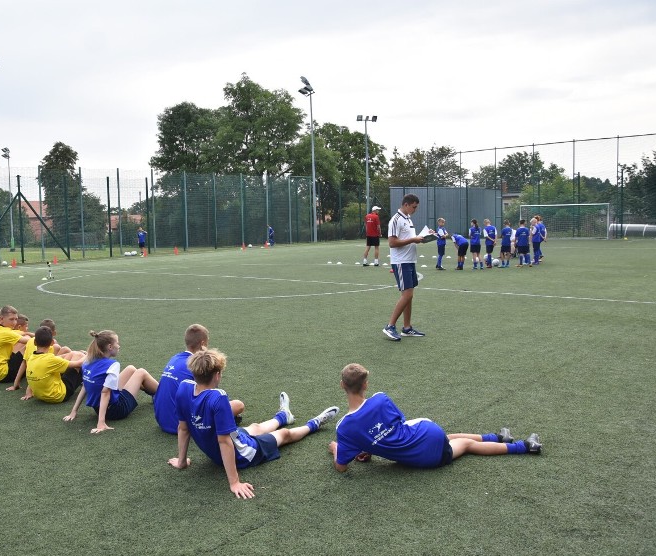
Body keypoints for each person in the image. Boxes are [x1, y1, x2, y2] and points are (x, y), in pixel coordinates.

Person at [168, 348, 339, 499]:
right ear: (218, 374)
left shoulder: (184, 388)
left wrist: (182, 462)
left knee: (256, 427)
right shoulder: (217, 397)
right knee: (284, 435)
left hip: (228, 442)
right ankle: (314, 423)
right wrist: (234, 482)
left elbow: (183, 428)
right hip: (243, 454)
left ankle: (283, 416)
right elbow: (224, 441)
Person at [329, 363, 542, 472]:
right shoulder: (380, 399)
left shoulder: (345, 428)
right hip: (424, 437)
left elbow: (342, 467)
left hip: (423, 451)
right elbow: (397, 424)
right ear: (365, 384)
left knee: (462, 443)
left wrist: (335, 448)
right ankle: (518, 444)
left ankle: (509, 441)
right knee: (459, 442)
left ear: (342, 386)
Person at [153, 324, 245, 434]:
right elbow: (211, 398)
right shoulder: (198, 365)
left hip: (162, 420)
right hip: (180, 424)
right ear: (202, 344)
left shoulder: (175, 358)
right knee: (238, 405)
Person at [62, 330, 158, 433]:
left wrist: (74, 411)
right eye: (117, 343)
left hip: (100, 409)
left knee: (131, 369)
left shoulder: (88, 361)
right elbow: (105, 392)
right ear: (110, 347)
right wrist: (101, 423)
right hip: (116, 410)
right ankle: (163, 394)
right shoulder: (112, 365)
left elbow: (85, 387)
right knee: (141, 372)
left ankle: (152, 392)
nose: (119, 346)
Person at [383, 194, 428, 341]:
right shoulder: (396, 219)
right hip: (401, 262)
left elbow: (408, 240)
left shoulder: (407, 218)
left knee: (410, 295)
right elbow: (392, 243)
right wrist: (413, 239)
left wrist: (423, 237)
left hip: (410, 261)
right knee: (407, 295)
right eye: (414, 207)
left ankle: (407, 328)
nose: (415, 209)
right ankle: (390, 326)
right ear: (407, 204)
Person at [19, 326, 86, 404]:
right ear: (52, 342)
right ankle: (91, 380)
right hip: (58, 396)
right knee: (78, 356)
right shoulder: (50, 360)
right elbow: (79, 363)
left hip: (40, 396)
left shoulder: (31, 358)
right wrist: (87, 354)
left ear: (35, 342)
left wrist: (28, 391)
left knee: (72, 354)